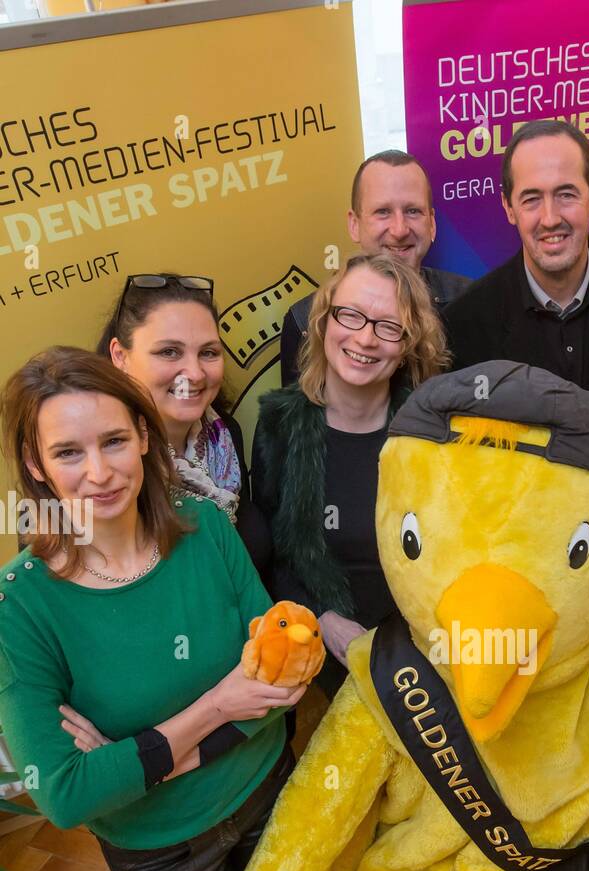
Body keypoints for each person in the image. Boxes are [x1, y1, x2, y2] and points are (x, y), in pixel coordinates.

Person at [0, 347, 326, 871]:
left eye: (114, 440)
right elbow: (67, 798)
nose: (100, 471)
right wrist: (218, 707)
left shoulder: (208, 531)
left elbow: (279, 686)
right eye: (68, 452)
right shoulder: (22, 605)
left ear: (145, 437)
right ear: (35, 466)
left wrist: (143, 757)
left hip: (264, 794)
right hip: (164, 853)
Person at [442, 118, 589, 616]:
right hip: (519, 585)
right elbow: (471, 465)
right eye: (531, 198)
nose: (550, 217)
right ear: (508, 207)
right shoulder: (466, 324)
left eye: (566, 194)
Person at [254, 252, 450, 695]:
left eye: (388, 326)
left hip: (430, 669)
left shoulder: (434, 432)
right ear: (324, 321)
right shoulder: (278, 425)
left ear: (407, 345)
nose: (365, 339)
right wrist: (322, 617)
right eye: (352, 315)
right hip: (321, 671)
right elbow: (272, 555)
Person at [98, 273, 271, 577]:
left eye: (208, 353)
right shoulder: (99, 468)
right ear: (120, 356)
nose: (194, 373)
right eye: (169, 352)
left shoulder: (224, 435)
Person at [280, 150, 471, 385]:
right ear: (354, 224)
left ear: (431, 223)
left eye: (413, 211)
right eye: (383, 212)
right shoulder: (305, 322)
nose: (399, 230)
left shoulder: (469, 304)